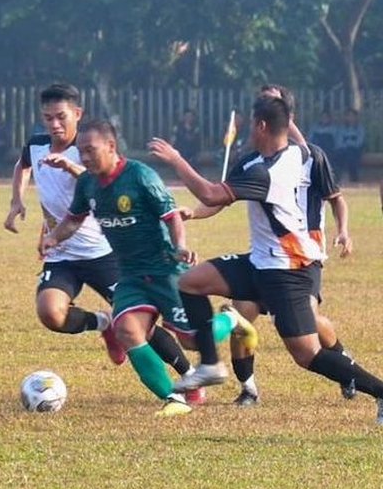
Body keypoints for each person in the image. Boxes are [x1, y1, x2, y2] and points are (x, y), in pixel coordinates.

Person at [149, 95, 383, 425]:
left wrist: (176, 159)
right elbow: (224, 195)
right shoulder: (291, 153)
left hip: (288, 270)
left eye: (252, 121)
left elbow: (212, 194)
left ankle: (380, 392)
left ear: (260, 125)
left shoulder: (266, 171)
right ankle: (211, 365)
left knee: (307, 354)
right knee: (192, 281)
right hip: (261, 261)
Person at [3, 83, 212, 400]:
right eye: (47, 118)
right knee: (50, 313)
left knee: (146, 327)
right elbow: (24, 166)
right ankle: (104, 324)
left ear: (77, 114)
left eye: (60, 117)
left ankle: (188, 374)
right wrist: (17, 201)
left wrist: (73, 166)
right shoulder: (37, 145)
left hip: (105, 254)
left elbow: (107, 185)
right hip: (63, 254)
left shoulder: (94, 149)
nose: (54, 125)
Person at [41, 118, 257, 416]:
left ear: (111, 146)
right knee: (127, 330)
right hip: (130, 275)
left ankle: (231, 321)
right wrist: (53, 237)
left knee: (192, 340)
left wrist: (180, 246)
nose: (85, 157)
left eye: (90, 150)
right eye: (81, 151)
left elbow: (171, 216)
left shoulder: (141, 176)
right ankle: (175, 400)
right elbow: (73, 219)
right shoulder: (88, 183)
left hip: (165, 270)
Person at [181, 84, 356, 407]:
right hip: (267, 258)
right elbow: (220, 198)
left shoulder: (311, 157)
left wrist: (343, 230)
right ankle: (248, 388)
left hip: (303, 257)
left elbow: (336, 199)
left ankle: (346, 366)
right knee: (241, 313)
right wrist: (194, 213)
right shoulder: (253, 162)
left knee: (311, 329)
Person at [335, 109, 365, 183]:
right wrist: (346, 144)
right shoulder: (342, 128)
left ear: (356, 117)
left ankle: (351, 177)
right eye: (348, 116)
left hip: (355, 150)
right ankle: (341, 176)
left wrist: (349, 143)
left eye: (352, 116)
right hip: (344, 150)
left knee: (351, 153)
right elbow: (339, 142)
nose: (350, 118)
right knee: (339, 154)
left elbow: (359, 142)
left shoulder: (360, 128)